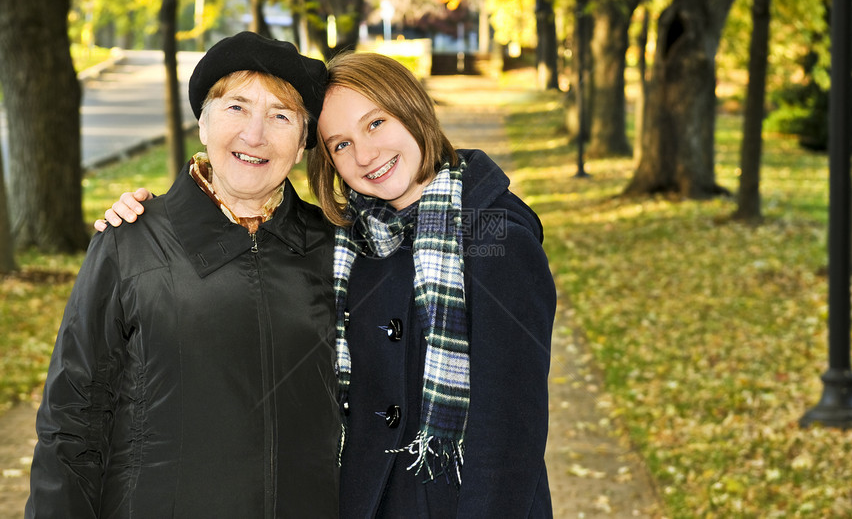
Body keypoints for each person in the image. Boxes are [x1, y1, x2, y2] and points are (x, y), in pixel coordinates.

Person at [99, 51, 556, 517]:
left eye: (376, 123)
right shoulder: (348, 242)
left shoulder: (494, 238)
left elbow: (511, 431)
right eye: (340, 144)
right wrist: (145, 222)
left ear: (413, 109)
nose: (365, 154)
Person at [27, 31, 340, 518]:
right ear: (203, 123)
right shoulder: (129, 241)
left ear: (301, 143)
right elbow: (72, 422)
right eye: (236, 107)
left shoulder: (334, 248)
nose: (254, 135)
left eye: (280, 116)